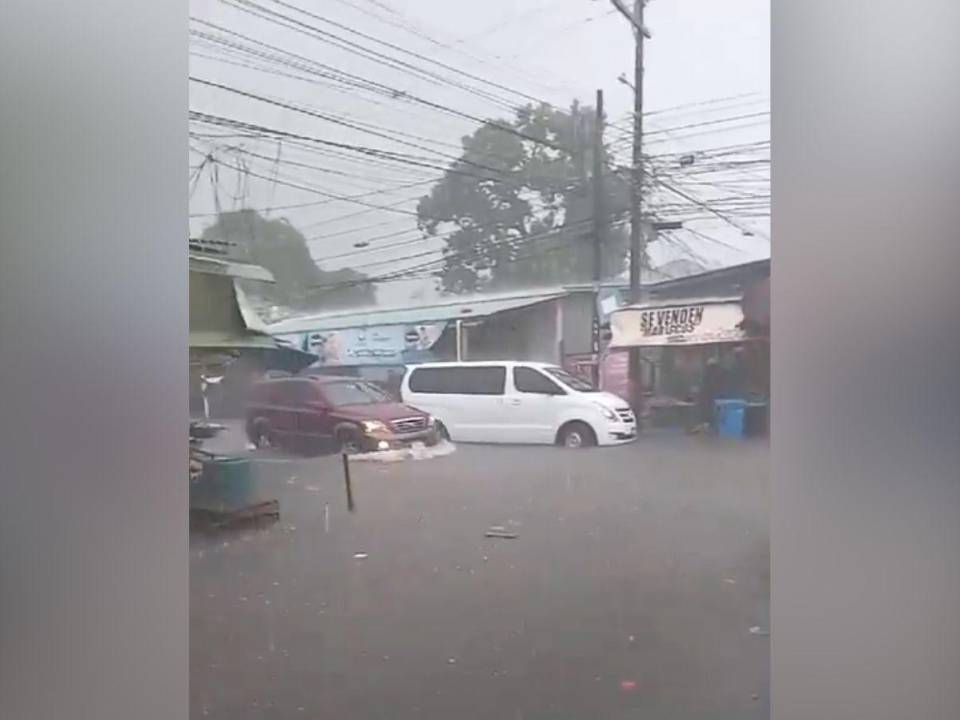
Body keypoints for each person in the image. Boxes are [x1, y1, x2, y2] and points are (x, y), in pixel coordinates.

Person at [693, 356, 725, 433]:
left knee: (707, 410)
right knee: (711, 411)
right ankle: (708, 425)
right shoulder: (718, 372)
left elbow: (705, 384)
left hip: (708, 395)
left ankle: (706, 425)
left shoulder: (708, 374)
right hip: (714, 395)